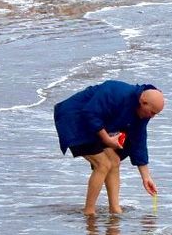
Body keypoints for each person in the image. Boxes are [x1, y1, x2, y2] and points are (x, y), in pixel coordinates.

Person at [54, 81, 164, 216]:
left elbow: (139, 139)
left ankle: (115, 209)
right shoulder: (117, 93)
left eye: (155, 114)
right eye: (152, 112)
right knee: (103, 164)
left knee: (114, 160)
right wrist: (106, 139)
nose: (152, 116)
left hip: (97, 124)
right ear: (143, 101)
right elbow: (90, 113)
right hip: (74, 119)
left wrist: (146, 177)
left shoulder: (143, 110)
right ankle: (89, 212)